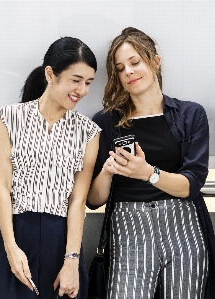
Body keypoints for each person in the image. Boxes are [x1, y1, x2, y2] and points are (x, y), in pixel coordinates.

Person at [87, 27, 215, 298]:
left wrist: (148, 173)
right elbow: (94, 200)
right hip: (129, 227)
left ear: (155, 62)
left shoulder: (190, 114)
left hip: (183, 226)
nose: (129, 72)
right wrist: (108, 172)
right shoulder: (105, 122)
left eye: (135, 62)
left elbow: (191, 184)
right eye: (120, 68)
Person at [0, 37, 101, 299]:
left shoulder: (88, 132)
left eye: (88, 83)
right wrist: (11, 248)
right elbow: (2, 188)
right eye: (76, 80)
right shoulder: (8, 117)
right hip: (15, 232)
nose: (82, 90)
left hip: (62, 239)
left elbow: (78, 199)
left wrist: (72, 260)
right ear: (50, 73)